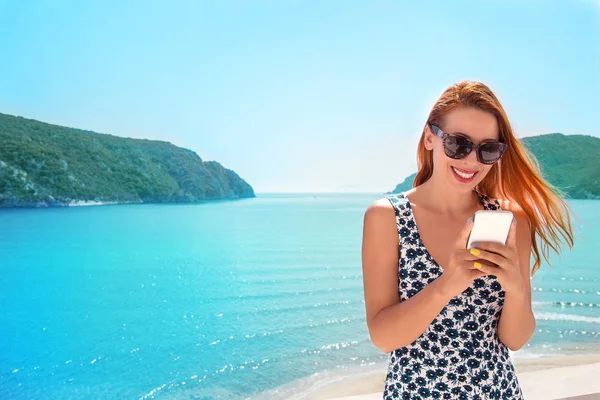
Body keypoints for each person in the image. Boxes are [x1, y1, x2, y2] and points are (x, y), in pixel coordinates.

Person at [361, 80, 575, 399]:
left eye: (488, 149)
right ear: (430, 138)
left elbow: (514, 339)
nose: (472, 161)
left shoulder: (512, 220)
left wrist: (515, 287)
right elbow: (383, 337)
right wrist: (447, 284)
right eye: (459, 144)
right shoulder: (387, 217)